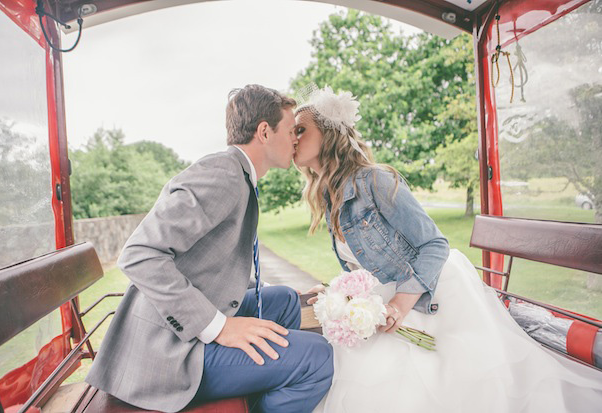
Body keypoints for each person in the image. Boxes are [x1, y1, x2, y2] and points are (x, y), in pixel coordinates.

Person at [293, 85, 602, 412]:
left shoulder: (375, 181)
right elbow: (364, 263)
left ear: (329, 134)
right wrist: (343, 295)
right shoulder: (330, 196)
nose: (294, 137)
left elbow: (435, 245)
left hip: (429, 294)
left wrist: (399, 303)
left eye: (301, 129)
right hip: (383, 303)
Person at [86, 84, 334, 413]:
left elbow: (212, 263)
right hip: (167, 354)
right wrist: (221, 327)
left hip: (181, 335)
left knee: (285, 300)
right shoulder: (223, 174)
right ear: (264, 132)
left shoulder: (238, 174)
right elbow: (139, 254)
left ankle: (264, 383)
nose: (296, 140)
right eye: (291, 130)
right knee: (317, 357)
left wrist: (281, 292)